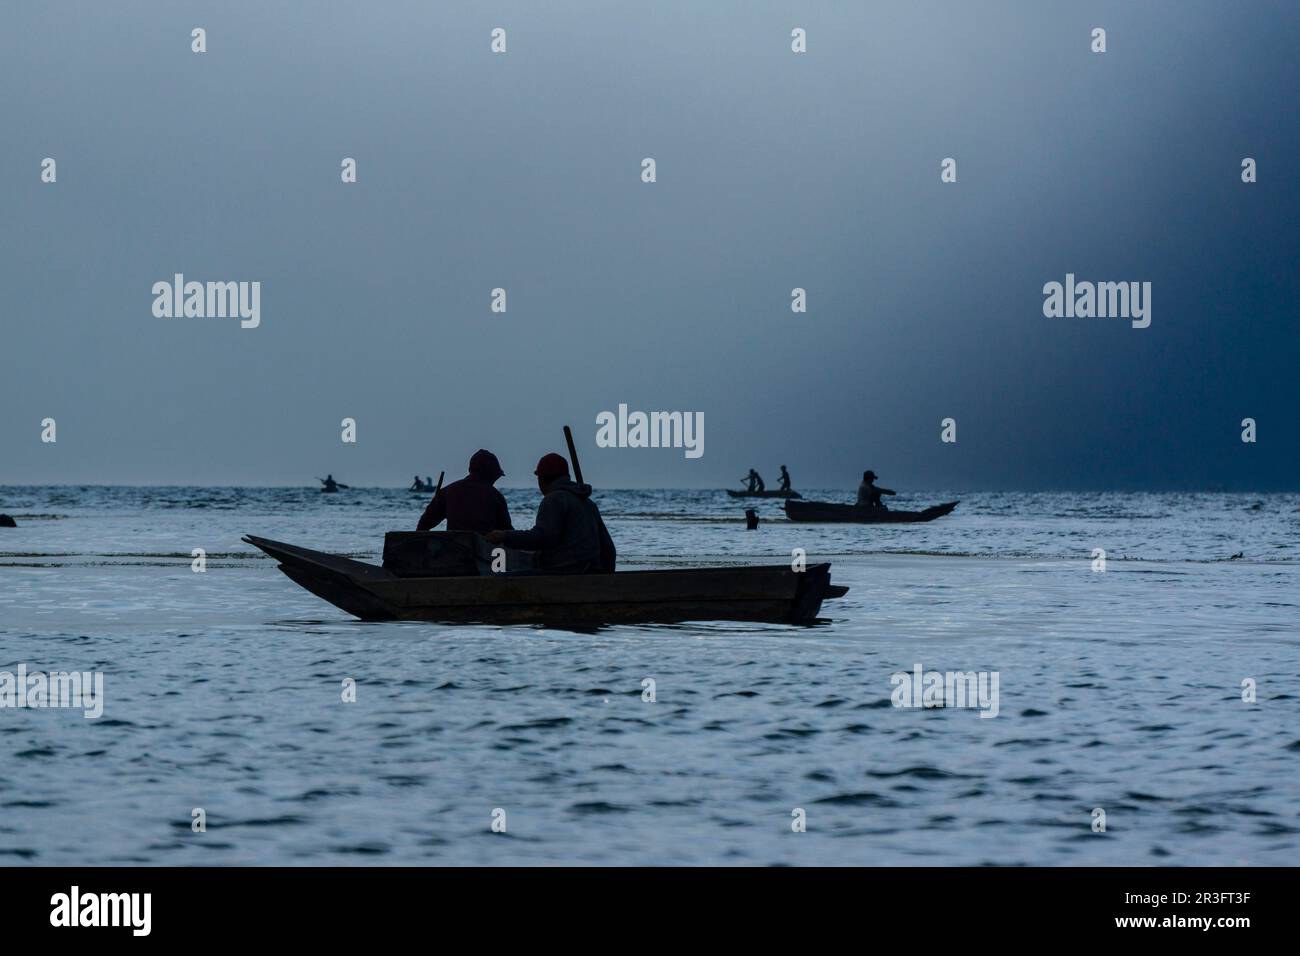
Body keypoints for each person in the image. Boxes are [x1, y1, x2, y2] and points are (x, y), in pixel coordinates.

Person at [485, 453, 615, 573]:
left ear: (542, 479)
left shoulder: (554, 499)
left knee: (502, 578)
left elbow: (542, 538)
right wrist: (607, 577)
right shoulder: (588, 503)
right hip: (590, 571)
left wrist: (504, 536)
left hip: (566, 572)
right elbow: (608, 549)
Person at [417, 450, 512, 534]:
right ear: (490, 474)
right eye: (496, 477)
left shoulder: (447, 491)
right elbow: (507, 533)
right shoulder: (496, 496)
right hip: (483, 551)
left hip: (454, 549)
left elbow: (423, 525)